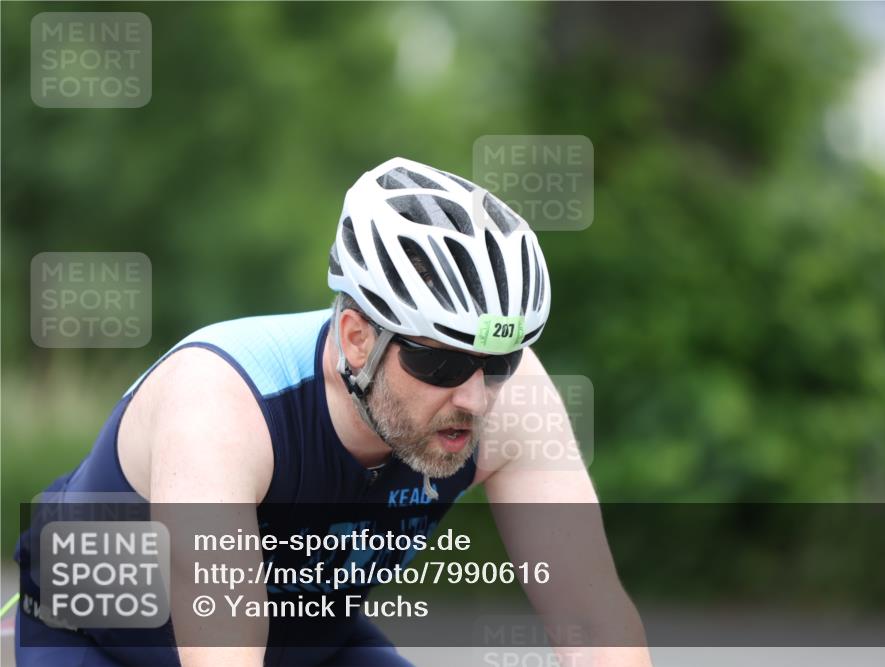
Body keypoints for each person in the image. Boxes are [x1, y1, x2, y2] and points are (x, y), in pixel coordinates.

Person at [15, 157, 651, 666]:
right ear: (356, 338)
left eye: (499, 362)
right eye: (441, 364)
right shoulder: (222, 406)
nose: (475, 397)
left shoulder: (511, 399)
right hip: (94, 643)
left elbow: (595, 626)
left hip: (313, 645)